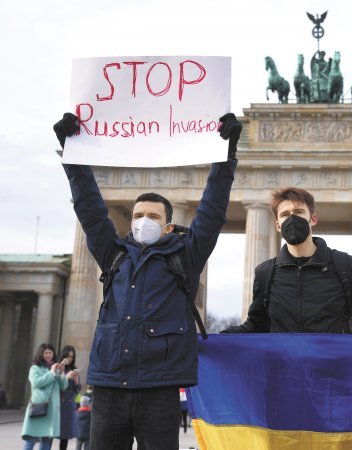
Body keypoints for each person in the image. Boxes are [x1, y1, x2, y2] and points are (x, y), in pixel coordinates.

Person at [53, 110, 242, 450]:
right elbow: (90, 208)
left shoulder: (185, 254)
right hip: (110, 385)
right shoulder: (114, 254)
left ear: (168, 225)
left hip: (160, 387)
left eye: (152, 216)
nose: (143, 220)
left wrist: (225, 160)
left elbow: (212, 212)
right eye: (138, 215)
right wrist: (73, 158)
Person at [223, 187, 352, 336]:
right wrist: (214, 342)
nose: (292, 219)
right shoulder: (266, 273)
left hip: (333, 378)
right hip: (283, 378)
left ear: (313, 219)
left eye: (299, 212)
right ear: (277, 225)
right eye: (285, 215)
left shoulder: (344, 266)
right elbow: (256, 326)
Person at [21, 343, 70, 450]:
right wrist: (52, 373)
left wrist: (61, 373)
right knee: (31, 441)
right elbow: (37, 383)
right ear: (41, 354)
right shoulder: (35, 368)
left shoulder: (56, 368)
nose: (48, 355)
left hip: (51, 411)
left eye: (50, 353)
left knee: (46, 443)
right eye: (46, 353)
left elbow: (64, 386)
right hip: (38, 408)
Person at [57, 346, 80, 450]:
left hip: (69, 406)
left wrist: (76, 380)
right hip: (58, 404)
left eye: (72, 356)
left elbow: (77, 390)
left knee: (65, 436)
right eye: (68, 356)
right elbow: (54, 385)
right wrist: (66, 377)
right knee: (52, 435)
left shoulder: (73, 369)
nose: (70, 358)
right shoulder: (58, 368)